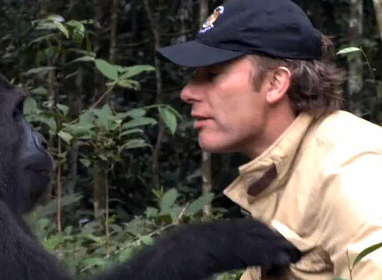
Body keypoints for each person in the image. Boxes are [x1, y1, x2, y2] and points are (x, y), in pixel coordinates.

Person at [157, 0, 382, 279]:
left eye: (212, 75)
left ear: (275, 83)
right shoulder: (282, 170)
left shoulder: (351, 169)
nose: (188, 92)